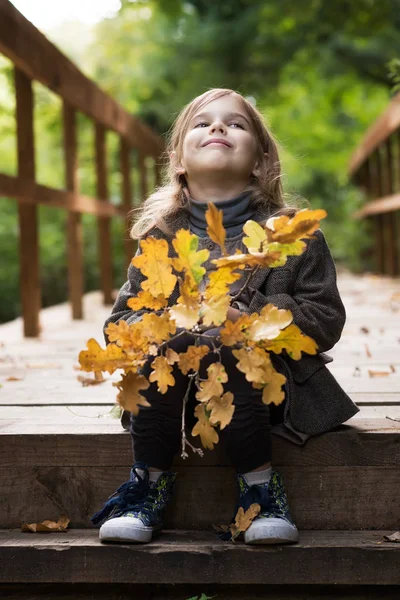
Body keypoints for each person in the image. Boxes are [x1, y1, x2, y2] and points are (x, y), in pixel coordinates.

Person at [91, 88, 359, 545]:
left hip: (271, 394)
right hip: (172, 404)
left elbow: (325, 319)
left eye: (235, 124)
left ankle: (260, 493)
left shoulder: (294, 236)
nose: (217, 127)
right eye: (203, 123)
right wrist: (166, 323)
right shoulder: (159, 238)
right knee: (172, 350)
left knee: (235, 347)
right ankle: (146, 487)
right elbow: (121, 324)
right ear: (179, 159)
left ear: (261, 161)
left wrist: (251, 316)